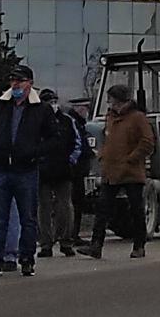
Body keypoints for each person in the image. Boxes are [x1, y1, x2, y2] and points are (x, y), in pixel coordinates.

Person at [0, 65, 58, 279]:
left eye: (20, 81)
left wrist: (34, 153)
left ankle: (27, 259)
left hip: (26, 170)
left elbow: (54, 138)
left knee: (27, 217)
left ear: (30, 83)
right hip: (1, 168)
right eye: (13, 80)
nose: (16, 85)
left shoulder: (41, 109)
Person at [78, 81, 155, 261]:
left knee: (136, 209)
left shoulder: (138, 118)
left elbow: (147, 142)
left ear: (123, 101)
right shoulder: (110, 117)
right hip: (110, 171)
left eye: (112, 100)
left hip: (131, 172)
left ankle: (139, 245)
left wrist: (131, 158)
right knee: (102, 209)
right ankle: (96, 245)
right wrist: (103, 155)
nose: (110, 104)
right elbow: (108, 139)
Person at [36, 89, 81, 259]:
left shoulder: (67, 120)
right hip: (43, 169)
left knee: (65, 207)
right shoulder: (36, 122)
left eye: (54, 101)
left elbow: (77, 143)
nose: (52, 104)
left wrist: (71, 160)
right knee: (44, 208)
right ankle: (46, 243)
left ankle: (66, 241)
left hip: (63, 169)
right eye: (48, 101)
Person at [68, 99, 94, 245]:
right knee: (75, 203)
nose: (87, 111)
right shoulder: (74, 124)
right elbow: (78, 146)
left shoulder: (79, 124)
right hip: (76, 171)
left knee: (77, 203)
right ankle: (72, 234)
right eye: (85, 108)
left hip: (79, 170)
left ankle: (74, 234)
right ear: (78, 109)